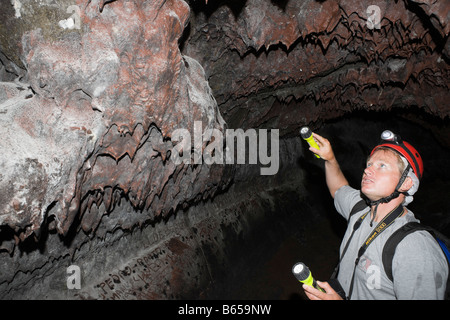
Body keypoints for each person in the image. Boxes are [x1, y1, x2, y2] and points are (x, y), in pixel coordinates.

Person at [302, 130, 448, 300]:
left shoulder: (414, 248)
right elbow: (338, 189)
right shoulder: (361, 209)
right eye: (369, 164)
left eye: (382, 165)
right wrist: (330, 159)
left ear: (406, 183)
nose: (368, 170)